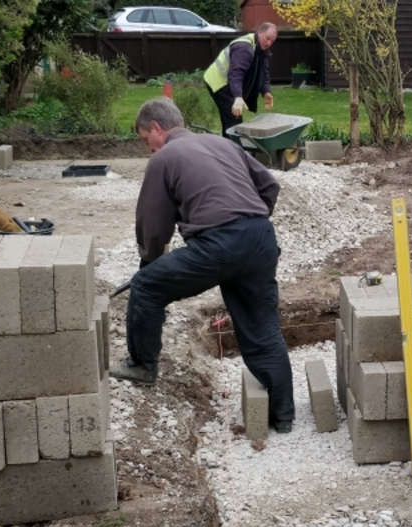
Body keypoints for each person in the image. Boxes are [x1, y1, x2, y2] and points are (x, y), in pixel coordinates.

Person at [108, 97, 295, 434]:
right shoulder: (221, 143)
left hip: (221, 244)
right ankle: (283, 415)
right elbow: (269, 185)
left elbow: (153, 225)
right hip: (261, 238)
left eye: (144, 139)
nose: (147, 147)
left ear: (157, 128)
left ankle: (141, 365)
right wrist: (250, 227)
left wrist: (147, 265)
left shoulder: (163, 158)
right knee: (262, 326)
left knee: (147, 287)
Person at [203, 22, 277, 138]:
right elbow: (235, 74)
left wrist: (266, 91)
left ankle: (227, 149)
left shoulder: (260, 49)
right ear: (260, 32)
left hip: (229, 82)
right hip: (219, 82)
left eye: (272, 41)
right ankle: (232, 152)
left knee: (231, 120)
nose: (268, 43)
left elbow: (263, 72)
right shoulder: (244, 48)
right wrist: (237, 97)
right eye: (267, 38)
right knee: (234, 121)